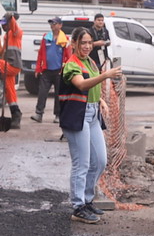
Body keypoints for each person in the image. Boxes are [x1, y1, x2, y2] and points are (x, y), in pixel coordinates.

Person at [59, 27, 122, 224]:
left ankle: (87, 200)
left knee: (100, 161)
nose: (86, 46)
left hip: (93, 114)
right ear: (74, 44)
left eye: (89, 42)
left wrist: (100, 100)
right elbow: (82, 85)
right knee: (82, 164)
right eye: (82, 43)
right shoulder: (71, 65)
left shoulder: (91, 61)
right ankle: (78, 206)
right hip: (77, 115)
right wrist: (106, 75)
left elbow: (92, 87)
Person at [31, 17, 67, 123]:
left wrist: (67, 71)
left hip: (59, 71)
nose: (52, 25)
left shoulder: (65, 39)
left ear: (60, 25)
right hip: (46, 70)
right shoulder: (46, 37)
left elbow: (68, 56)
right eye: (51, 23)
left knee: (58, 94)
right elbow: (41, 54)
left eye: (55, 23)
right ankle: (39, 113)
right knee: (42, 92)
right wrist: (38, 68)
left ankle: (58, 115)